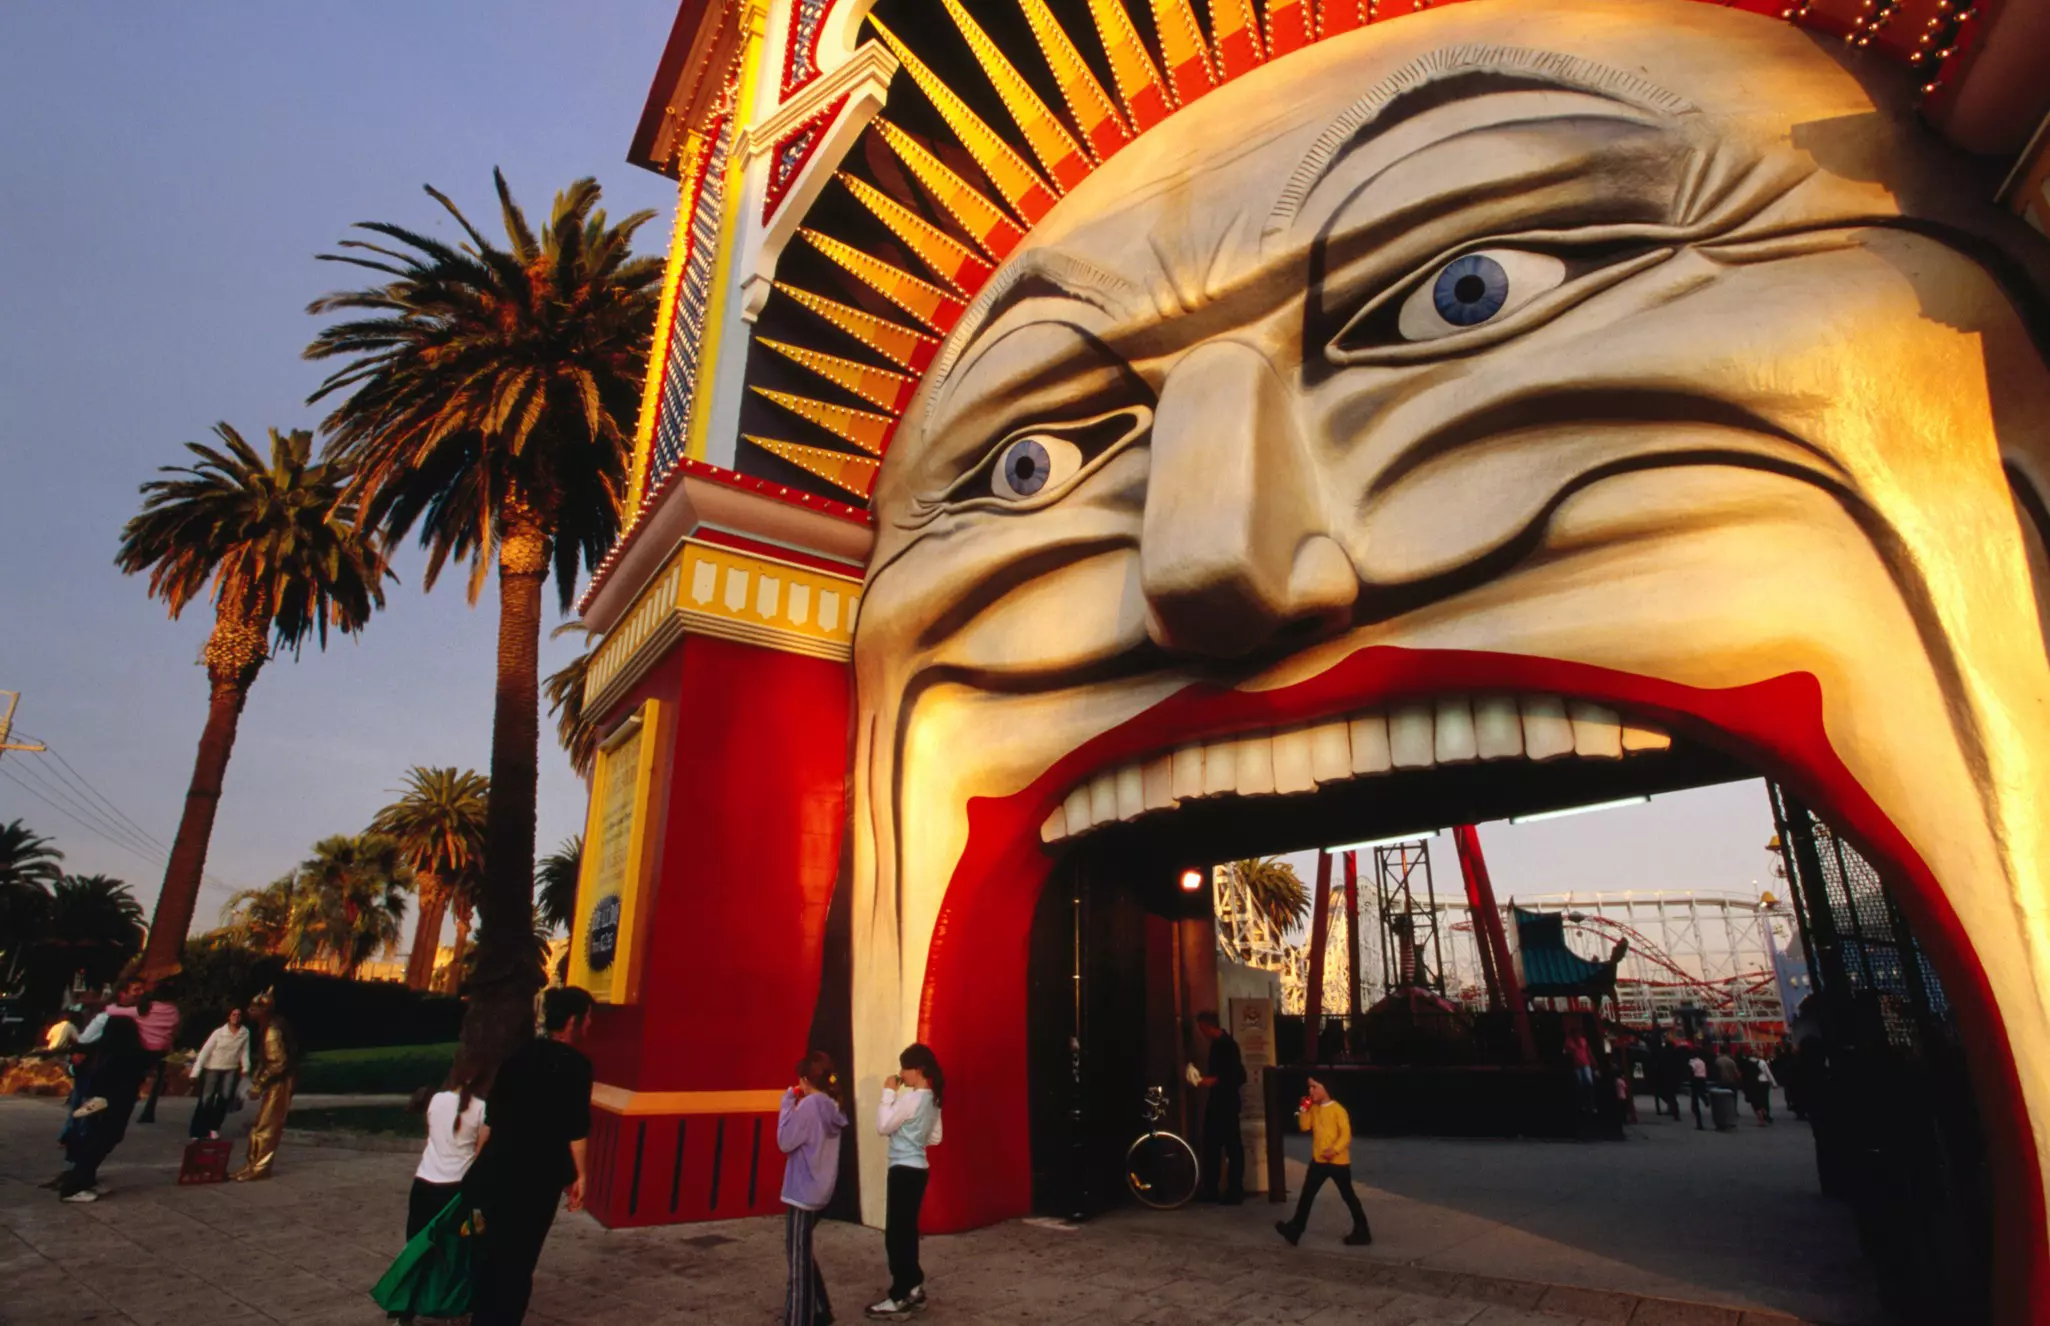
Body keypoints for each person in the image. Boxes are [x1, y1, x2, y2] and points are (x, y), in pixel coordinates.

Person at [466, 985, 594, 1326]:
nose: (589, 1025)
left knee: (493, 1252)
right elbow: (576, 1130)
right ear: (573, 1020)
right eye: (588, 1018)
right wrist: (580, 1175)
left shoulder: (516, 1057)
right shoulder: (577, 1066)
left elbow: (490, 1121)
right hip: (539, 1177)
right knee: (520, 1259)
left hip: (497, 1169)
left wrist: (480, 1167)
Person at [867, 1043, 945, 1319]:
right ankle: (914, 1287)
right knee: (907, 1231)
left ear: (918, 1070)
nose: (901, 1073)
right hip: (920, 1169)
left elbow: (882, 1126)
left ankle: (899, 1295)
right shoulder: (932, 1098)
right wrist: (913, 1135)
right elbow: (935, 1138)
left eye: (905, 1068)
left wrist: (888, 1093)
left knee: (896, 1236)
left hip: (902, 1169)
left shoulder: (909, 1099)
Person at [779, 1050, 848, 1326]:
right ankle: (820, 1309)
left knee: (797, 1259)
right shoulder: (833, 1106)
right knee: (804, 1250)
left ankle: (798, 1319)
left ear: (805, 1079)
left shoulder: (808, 1106)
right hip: (821, 1188)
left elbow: (785, 1141)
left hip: (802, 1193)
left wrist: (787, 1104)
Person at [58, 1005, 151, 1201]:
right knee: (102, 1139)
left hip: (104, 1098)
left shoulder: (107, 1052)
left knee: (99, 1137)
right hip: (113, 1100)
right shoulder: (124, 1055)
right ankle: (75, 1185)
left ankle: (84, 1180)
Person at [1274, 1076, 1371, 1248]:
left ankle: (1362, 1230)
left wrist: (1334, 1150)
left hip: (1338, 1163)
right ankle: (1296, 1229)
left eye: (1314, 1087)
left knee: (1348, 1195)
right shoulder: (1314, 1108)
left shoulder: (1338, 1110)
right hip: (1319, 1161)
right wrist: (1303, 1109)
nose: (1310, 1091)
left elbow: (1346, 1134)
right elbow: (1304, 1126)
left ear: (1326, 1088)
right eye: (1309, 1088)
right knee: (1307, 1195)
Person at [407, 1059, 490, 1240]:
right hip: (456, 1189)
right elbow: (479, 1153)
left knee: (417, 1248)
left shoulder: (436, 1100)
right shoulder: (482, 1109)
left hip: (424, 1183)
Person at [231, 988, 300, 1180]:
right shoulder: (269, 1028)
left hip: (280, 1082)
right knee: (261, 1124)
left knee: (266, 1125)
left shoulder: (272, 1031)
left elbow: (277, 1063)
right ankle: (252, 1163)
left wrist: (259, 1085)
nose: (250, 1011)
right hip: (277, 1080)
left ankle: (259, 1166)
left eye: (254, 1008)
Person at [1192, 1010, 1246, 1204]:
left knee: (1217, 1146)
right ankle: (1231, 1189)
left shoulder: (1223, 1047)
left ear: (1207, 1026)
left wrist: (1207, 1081)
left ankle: (1222, 1189)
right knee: (1228, 1146)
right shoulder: (1227, 1044)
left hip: (1223, 1102)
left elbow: (1231, 1076)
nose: (1201, 1033)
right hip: (1227, 1102)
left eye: (1201, 1028)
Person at [188, 1006, 252, 1139]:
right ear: (229, 1016)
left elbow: (244, 1051)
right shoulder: (219, 1032)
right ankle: (197, 1131)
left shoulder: (244, 1033)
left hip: (230, 1068)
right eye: (233, 1014)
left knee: (224, 1098)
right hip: (213, 1067)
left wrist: (246, 1067)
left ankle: (214, 1127)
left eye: (238, 1014)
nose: (236, 1017)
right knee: (206, 1099)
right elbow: (205, 1051)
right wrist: (195, 1072)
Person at [1744, 1052, 1777, 1125]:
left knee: (1757, 1100)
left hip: (1755, 1083)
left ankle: (1761, 1118)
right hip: (1765, 1082)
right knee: (1765, 1099)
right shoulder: (1762, 1062)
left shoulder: (1747, 1063)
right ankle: (1766, 1113)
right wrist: (1773, 1083)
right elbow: (1768, 1073)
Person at [1686, 1045, 1710, 1131]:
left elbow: (1691, 1070)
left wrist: (1690, 1078)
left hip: (1695, 1079)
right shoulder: (1702, 1062)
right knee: (1701, 1091)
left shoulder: (1692, 1061)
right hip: (1702, 1078)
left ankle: (1702, 1102)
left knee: (1695, 1096)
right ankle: (1705, 1099)